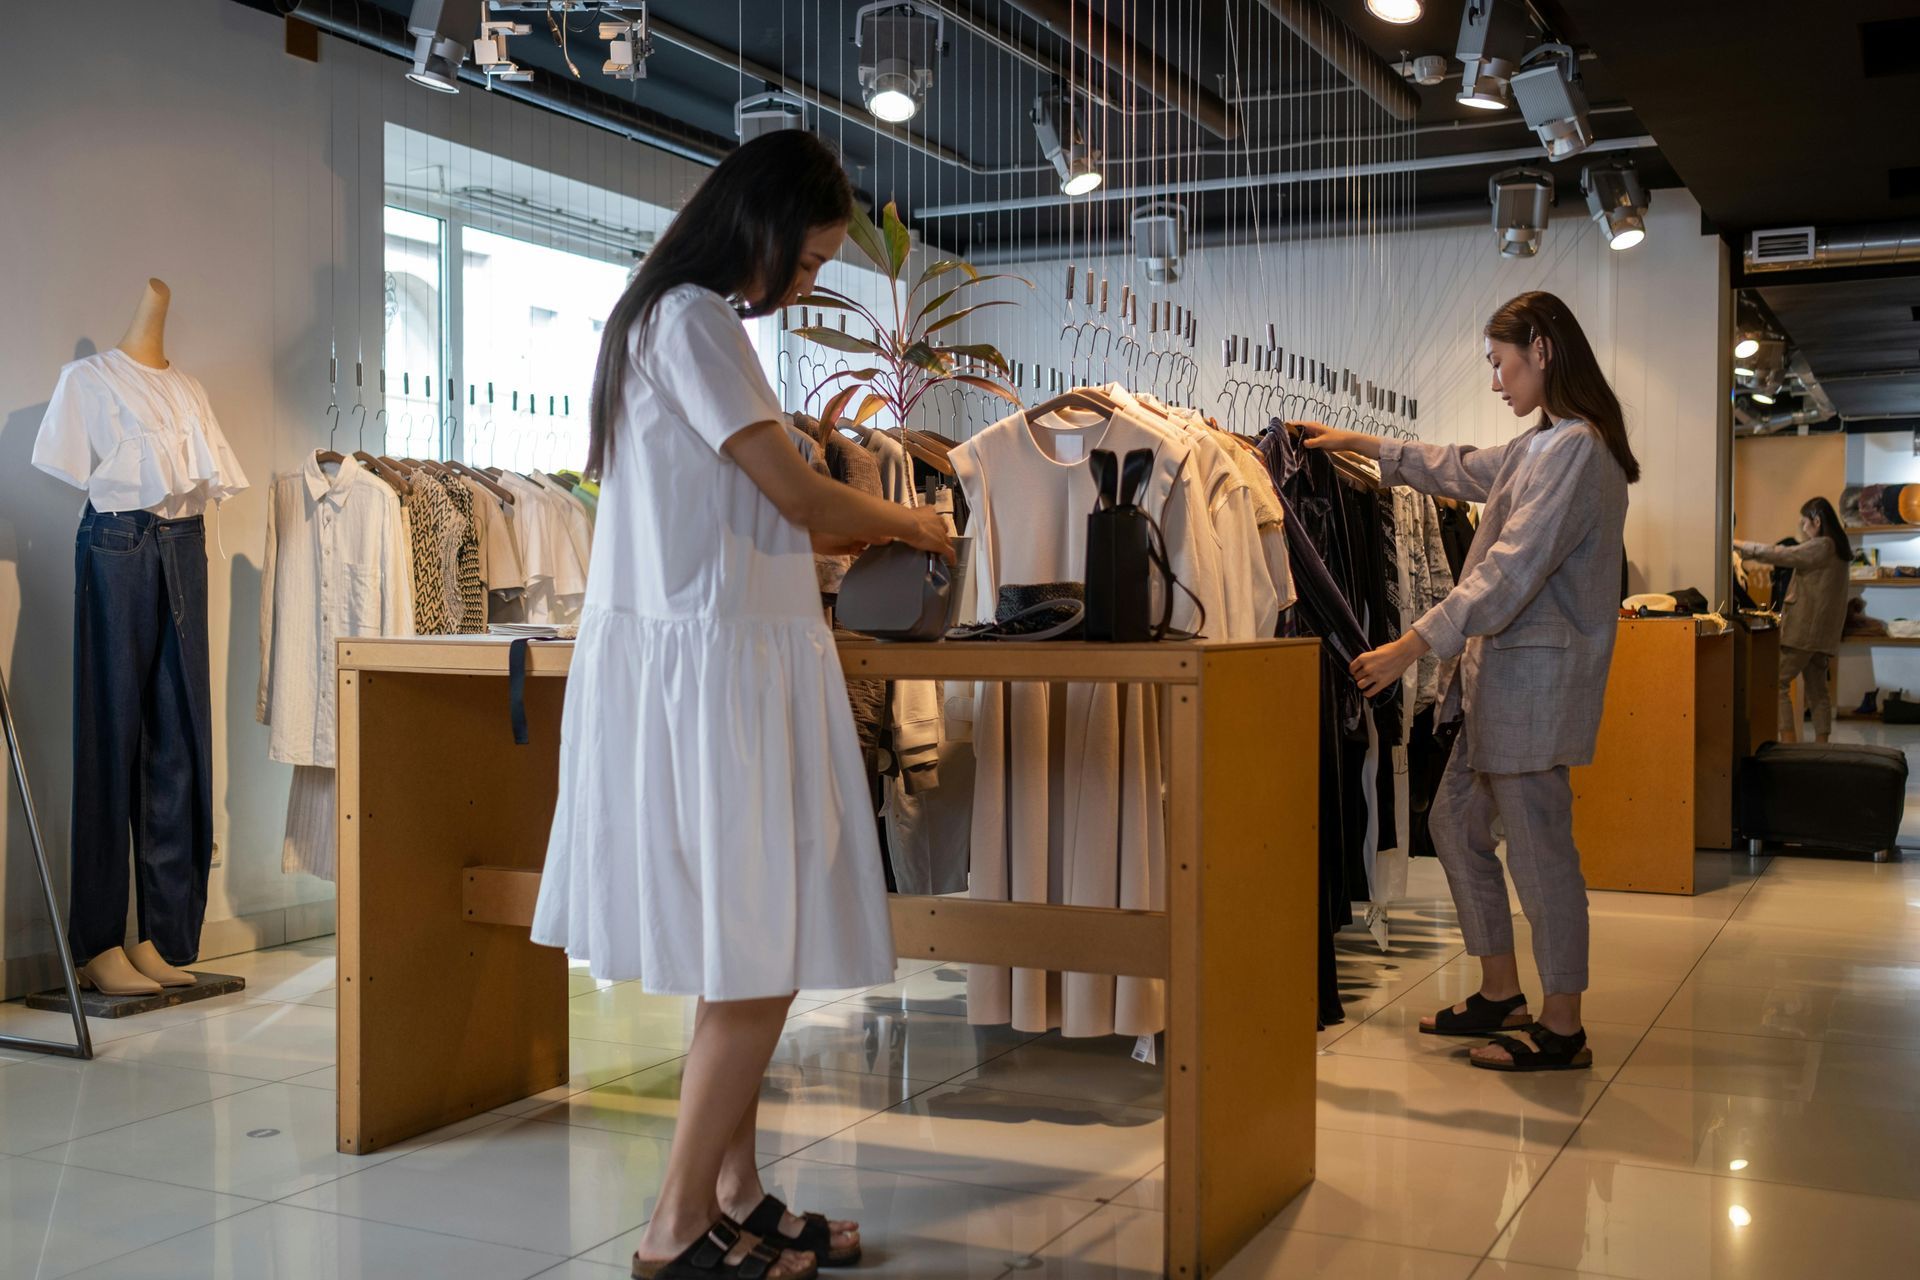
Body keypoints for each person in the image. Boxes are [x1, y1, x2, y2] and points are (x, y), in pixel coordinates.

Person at [529, 131, 953, 1280]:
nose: (805, 285)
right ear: (760, 227)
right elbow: (790, 491)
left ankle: (737, 1192)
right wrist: (911, 520)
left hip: (719, 660)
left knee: (743, 942)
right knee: (761, 951)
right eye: (809, 262)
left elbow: (745, 508)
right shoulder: (696, 321)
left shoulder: (669, 320)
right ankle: (672, 1228)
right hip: (720, 672)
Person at [1297, 290, 1636, 1073]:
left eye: (1499, 361)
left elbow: (1511, 572)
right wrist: (1359, 444)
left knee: (1541, 852)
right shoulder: (1541, 447)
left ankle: (1562, 1027)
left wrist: (1408, 646)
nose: (1495, 381)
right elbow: (1455, 466)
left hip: (1533, 687)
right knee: (1453, 826)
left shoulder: (1579, 449)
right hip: (1499, 687)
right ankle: (1498, 990)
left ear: (1541, 348)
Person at [1736, 498, 1850, 743]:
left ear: (1817, 521)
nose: (1803, 527)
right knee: (1818, 690)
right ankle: (1822, 744)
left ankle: (1788, 742)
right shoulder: (1840, 548)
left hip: (1804, 630)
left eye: (1804, 522)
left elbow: (1783, 554)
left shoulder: (1822, 546)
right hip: (1824, 633)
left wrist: (1740, 545)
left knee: (1778, 682)